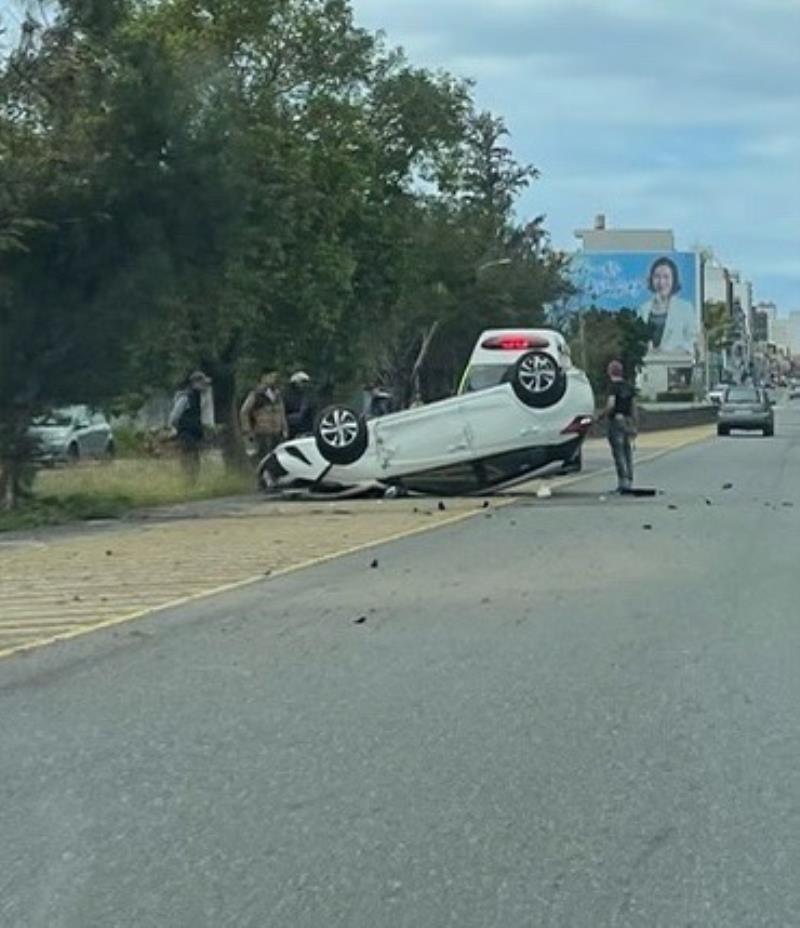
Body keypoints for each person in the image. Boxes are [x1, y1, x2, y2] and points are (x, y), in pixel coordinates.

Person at [638, 257, 696, 355]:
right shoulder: (643, 309)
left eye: (666, 277)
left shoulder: (686, 308)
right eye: (657, 277)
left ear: (674, 280)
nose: (661, 282)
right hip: (648, 362)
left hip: (675, 362)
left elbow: (692, 342)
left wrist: (669, 351)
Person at [169, 370, 211, 484]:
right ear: (194, 383)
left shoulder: (198, 397)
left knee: (195, 461)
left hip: (194, 434)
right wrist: (180, 428)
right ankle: (188, 483)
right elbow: (174, 416)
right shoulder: (186, 397)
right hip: (186, 434)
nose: (205, 386)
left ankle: (192, 483)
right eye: (202, 383)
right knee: (188, 460)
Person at [602, 360, 637, 494]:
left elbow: (611, 404)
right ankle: (629, 479)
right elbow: (634, 407)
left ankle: (623, 482)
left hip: (616, 421)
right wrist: (634, 424)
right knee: (627, 451)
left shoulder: (612, 387)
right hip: (627, 420)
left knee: (618, 452)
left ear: (610, 371)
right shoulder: (629, 387)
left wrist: (602, 415)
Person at [240, 369, 288, 461]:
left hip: (276, 432)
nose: (274, 379)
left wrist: (285, 428)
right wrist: (247, 430)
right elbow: (244, 412)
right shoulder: (256, 394)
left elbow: (282, 412)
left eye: (275, 377)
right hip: (262, 432)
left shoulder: (277, 395)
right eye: (271, 376)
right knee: (263, 458)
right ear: (263, 377)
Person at [284, 370, 316, 439]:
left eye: (306, 382)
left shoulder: (308, 396)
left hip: (307, 428)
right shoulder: (286, 396)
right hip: (292, 429)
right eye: (303, 382)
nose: (304, 385)